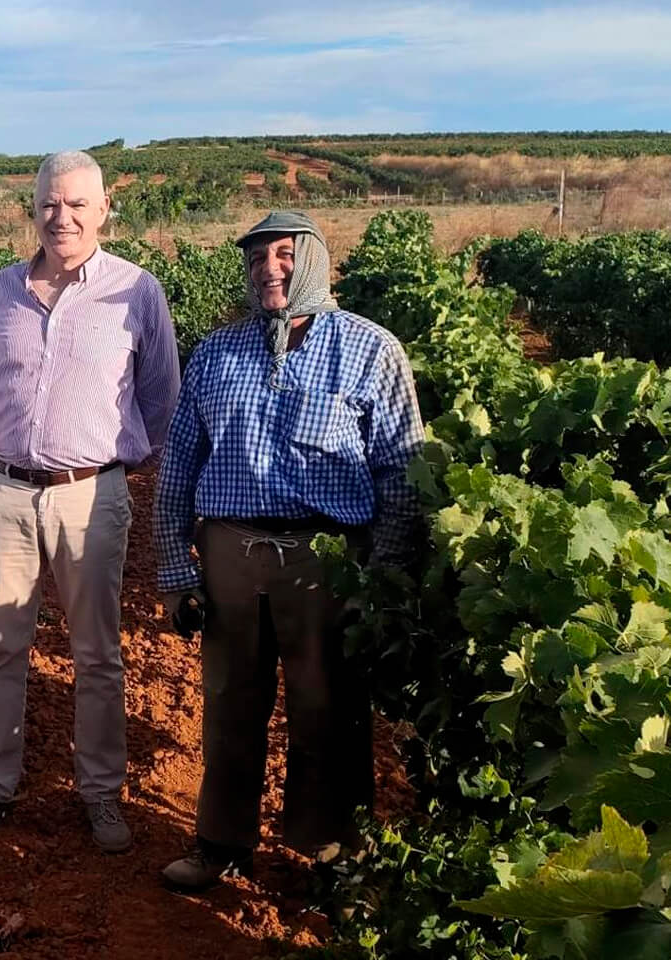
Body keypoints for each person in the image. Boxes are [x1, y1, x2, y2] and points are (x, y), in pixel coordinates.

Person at [153, 210, 425, 892]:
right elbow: (181, 460)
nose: (267, 269)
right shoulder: (217, 352)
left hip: (327, 561)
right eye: (255, 259)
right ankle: (221, 845)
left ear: (313, 263)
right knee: (228, 705)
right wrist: (174, 565)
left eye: (283, 255)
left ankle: (327, 860)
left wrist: (385, 575)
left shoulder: (370, 349)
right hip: (231, 552)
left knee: (326, 712)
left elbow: (402, 471)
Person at [0, 150, 182, 854]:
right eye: (51, 203)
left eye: (78, 204)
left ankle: (101, 794)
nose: (63, 216)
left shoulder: (136, 292)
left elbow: (161, 397)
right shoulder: (1, 291)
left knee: (97, 654)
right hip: (6, 492)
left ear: (105, 210)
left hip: (90, 495)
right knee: (0, 647)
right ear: (34, 208)